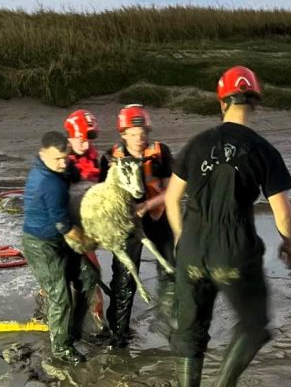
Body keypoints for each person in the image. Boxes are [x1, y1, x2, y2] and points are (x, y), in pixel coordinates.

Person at [164, 66, 291, 387]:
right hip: (233, 249)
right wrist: (288, 241)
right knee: (254, 323)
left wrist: (180, 237)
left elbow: (172, 197)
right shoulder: (263, 151)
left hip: (192, 247)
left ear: (221, 101)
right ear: (255, 102)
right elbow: (282, 212)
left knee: (191, 329)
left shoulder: (198, 142)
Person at [99, 104, 176, 348]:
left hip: (157, 218)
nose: (139, 138)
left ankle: (170, 325)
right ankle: (118, 334)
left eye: (142, 133)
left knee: (170, 272)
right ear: (123, 134)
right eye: (133, 133)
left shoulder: (161, 152)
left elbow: (173, 189)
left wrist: (148, 204)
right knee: (124, 279)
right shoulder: (110, 158)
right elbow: (102, 194)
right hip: (127, 225)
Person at [21, 131, 96, 364]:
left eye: (65, 158)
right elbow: (64, 225)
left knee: (89, 276)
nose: (63, 164)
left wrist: (72, 169)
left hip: (60, 241)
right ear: (43, 154)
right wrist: (88, 241)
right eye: (57, 160)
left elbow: (74, 173)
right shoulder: (47, 182)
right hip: (42, 245)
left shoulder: (60, 168)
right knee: (60, 295)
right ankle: (61, 347)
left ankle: (73, 330)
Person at [62, 109, 109, 338]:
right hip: (64, 228)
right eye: (80, 137)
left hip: (86, 227)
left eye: (89, 137)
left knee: (93, 272)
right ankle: (46, 303)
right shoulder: (61, 162)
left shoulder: (96, 159)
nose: (85, 142)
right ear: (70, 137)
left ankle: (98, 317)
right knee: (61, 274)